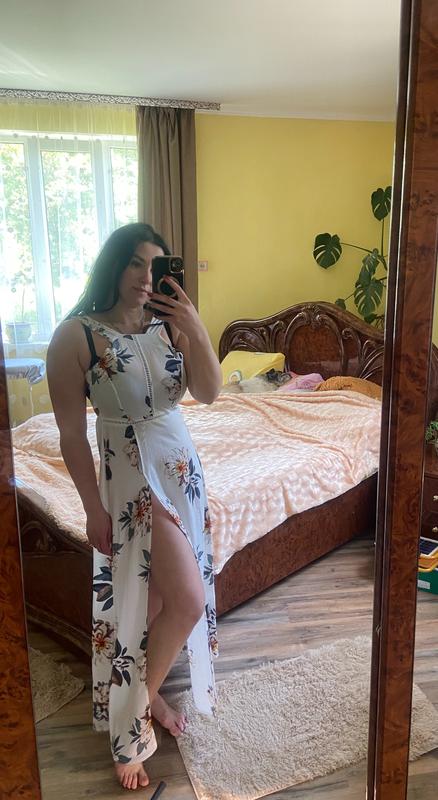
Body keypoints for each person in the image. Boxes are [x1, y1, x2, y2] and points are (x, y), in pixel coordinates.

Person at [46, 223, 222, 791]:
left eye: (155, 265)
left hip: (181, 471)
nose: (147, 277)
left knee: (158, 603)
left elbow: (210, 392)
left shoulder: (168, 326)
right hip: (130, 481)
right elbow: (71, 435)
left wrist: (194, 327)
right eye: (135, 263)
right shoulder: (76, 335)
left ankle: (148, 700)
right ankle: (130, 727)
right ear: (114, 265)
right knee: (187, 599)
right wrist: (91, 508)